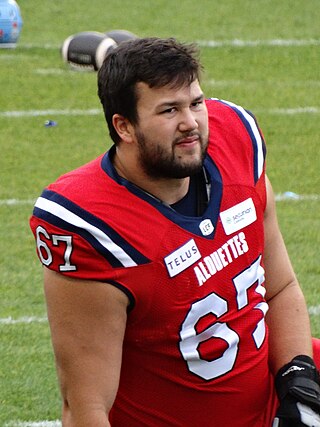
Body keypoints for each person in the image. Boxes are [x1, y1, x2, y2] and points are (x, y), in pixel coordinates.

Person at [30, 37, 320, 427]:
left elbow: (280, 287)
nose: (191, 123)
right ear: (124, 126)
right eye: (169, 110)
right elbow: (86, 406)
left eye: (196, 103)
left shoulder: (234, 142)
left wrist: (298, 381)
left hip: (266, 390)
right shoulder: (94, 226)